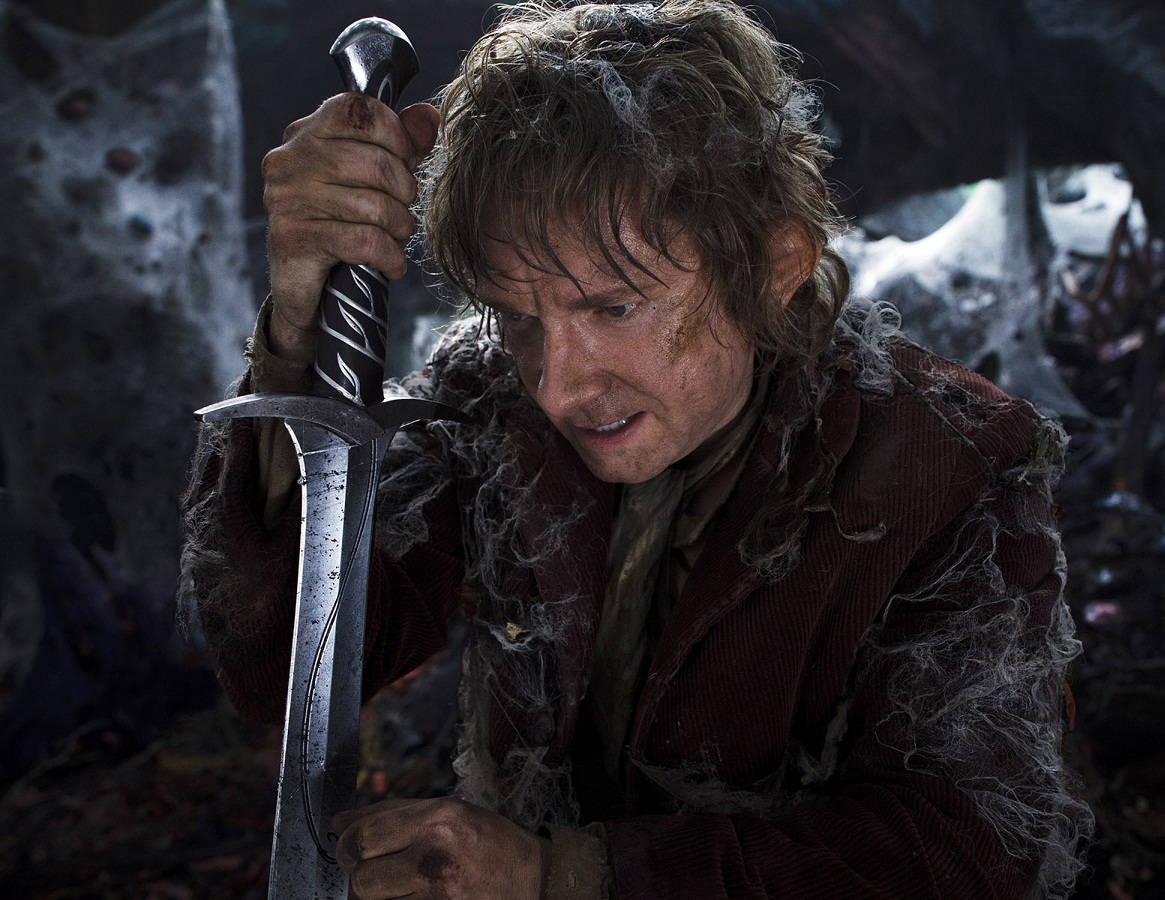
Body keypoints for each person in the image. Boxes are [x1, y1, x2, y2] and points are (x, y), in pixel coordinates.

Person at [180, 1, 1092, 897]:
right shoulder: (489, 400)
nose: (558, 387)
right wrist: (301, 327)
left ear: (775, 266)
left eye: (614, 307)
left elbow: (965, 852)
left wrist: (561, 876)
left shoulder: (949, 467)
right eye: (517, 316)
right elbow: (276, 671)